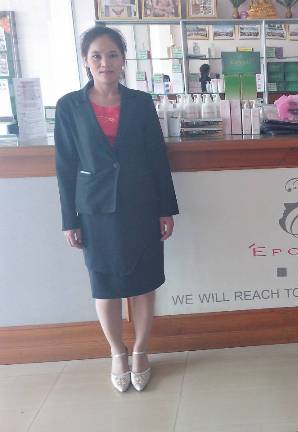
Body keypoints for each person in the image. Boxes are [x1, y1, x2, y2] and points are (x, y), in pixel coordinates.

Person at [55, 26, 179, 392]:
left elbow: (157, 158)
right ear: (85, 60)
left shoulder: (141, 102)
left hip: (141, 205)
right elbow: (65, 166)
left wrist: (165, 209)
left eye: (112, 55)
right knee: (104, 285)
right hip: (94, 209)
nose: (104, 62)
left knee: (143, 283)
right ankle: (116, 352)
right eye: (96, 56)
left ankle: (140, 350)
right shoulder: (69, 106)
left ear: (123, 60)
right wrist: (69, 219)